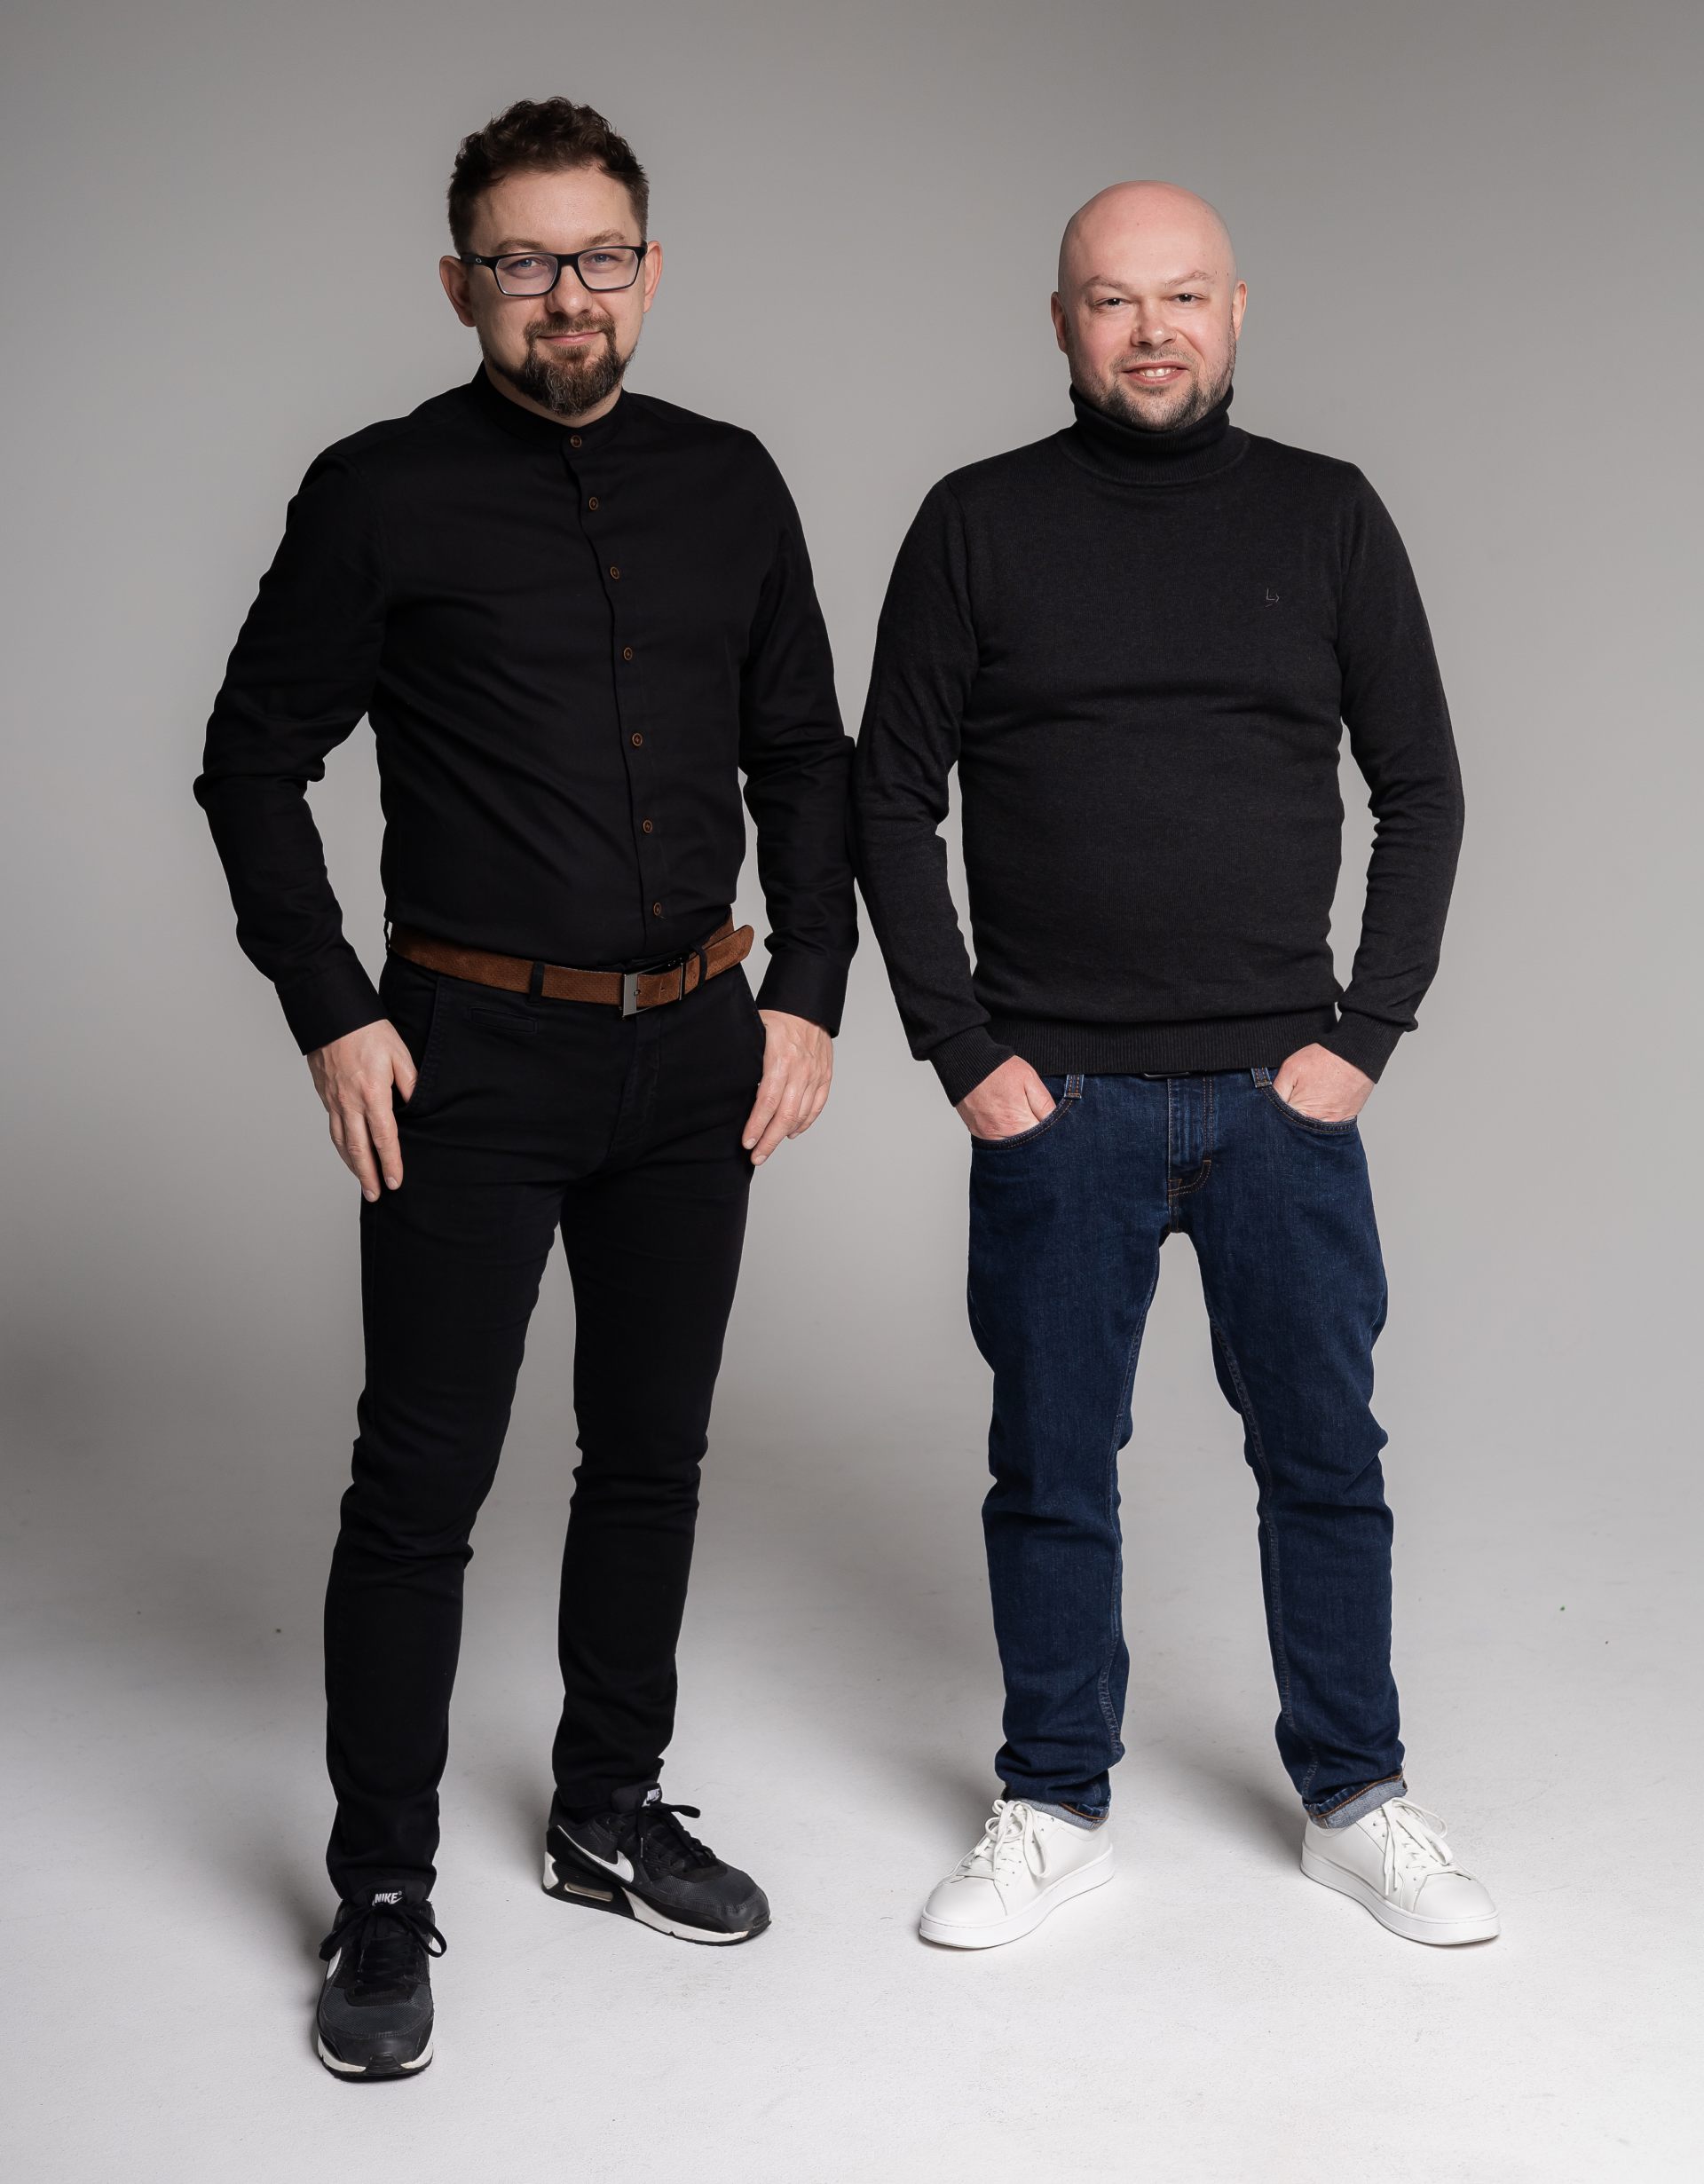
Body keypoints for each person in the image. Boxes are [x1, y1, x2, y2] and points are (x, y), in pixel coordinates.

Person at [195, 98, 856, 2077]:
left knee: (651, 1456)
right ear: (460, 282)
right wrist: (332, 1009)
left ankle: (606, 1808)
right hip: (466, 1056)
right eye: (523, 261)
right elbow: (250, 761)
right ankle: (382, 1888)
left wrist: (810, 993)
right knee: (421, 1485)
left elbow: (805, 756)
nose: (567, 294)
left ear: (650, 269)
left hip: (698, 1048)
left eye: (600, 257)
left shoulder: (732, 483)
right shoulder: (379, 491)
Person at [854, 181, 1496, 1951]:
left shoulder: (1329, 513)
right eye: (1115, 299)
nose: (1152, 331)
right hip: (1054, 1100)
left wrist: (1364, 1036)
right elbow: (887, 798)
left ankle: (1357, 1797)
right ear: (1061, 321)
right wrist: (960, 1046)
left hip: (1282, 1096)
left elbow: (1424, 789)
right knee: (1052, 1460)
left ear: (1236, 311)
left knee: (1325, 1452)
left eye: (1185, 296)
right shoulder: (976, 522)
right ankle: (1054, 1799)